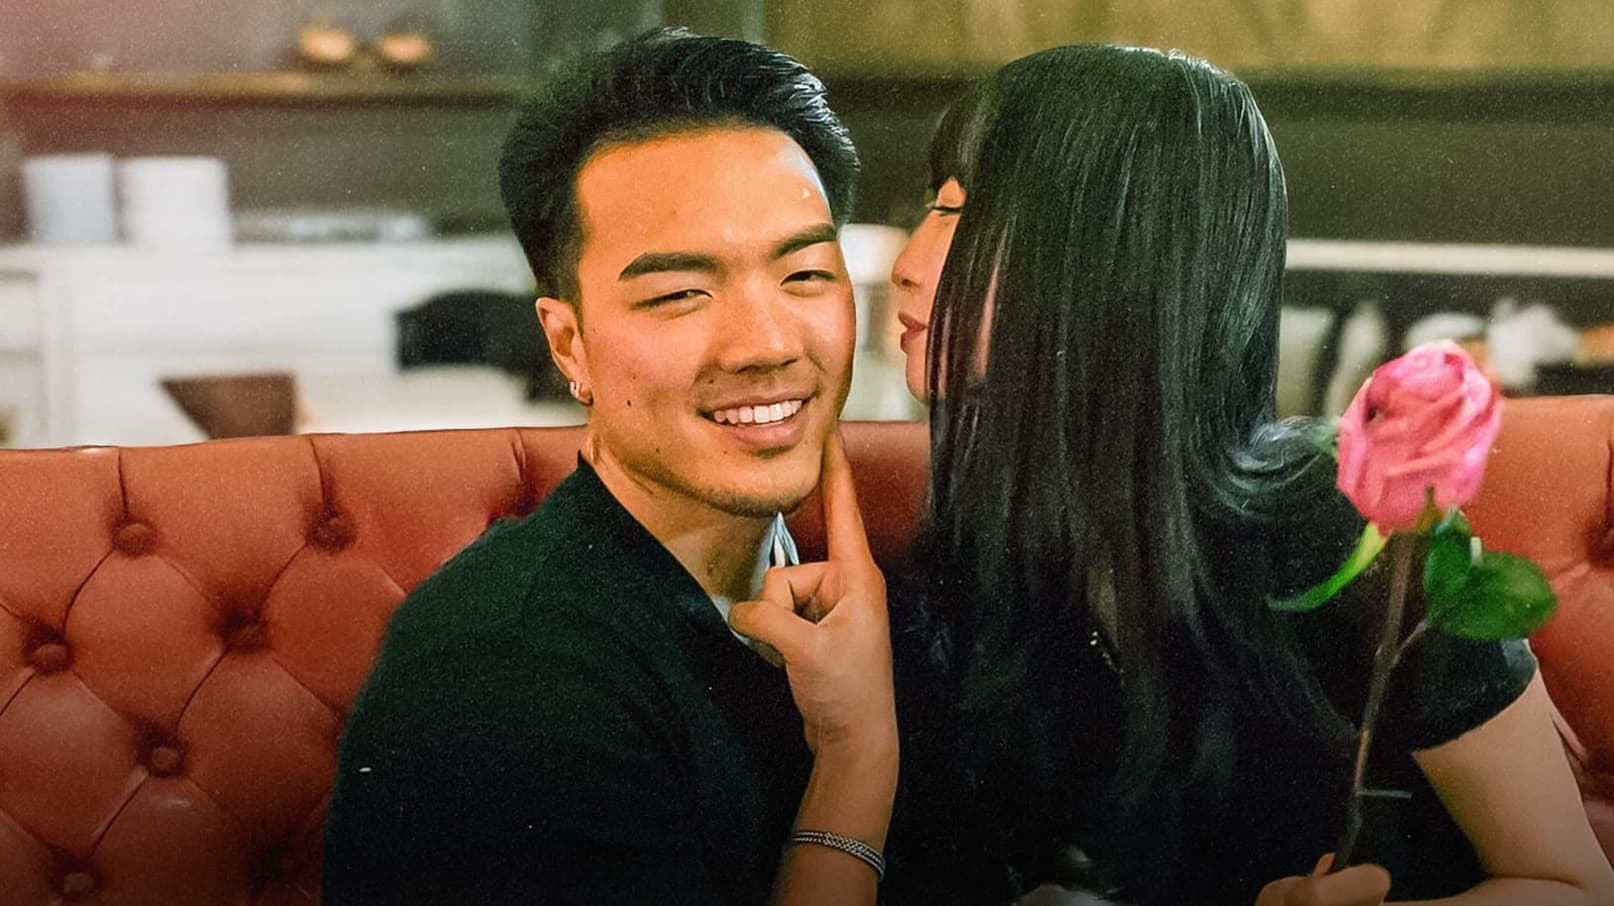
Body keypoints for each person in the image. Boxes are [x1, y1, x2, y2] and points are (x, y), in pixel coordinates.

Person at [884, 45, 1614, 905]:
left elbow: (1570, 884)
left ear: (1115, 255)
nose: (906, 260)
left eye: (956, 211)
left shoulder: (1339, 522)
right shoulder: (978, 536)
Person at [323, 29, 896, 905]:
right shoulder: (503, 672)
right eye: (679, 294)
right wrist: (857, 760)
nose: (767, 344)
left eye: (806, 274)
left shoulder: (855, 601)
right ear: (569, 344)